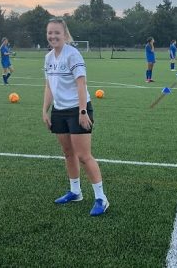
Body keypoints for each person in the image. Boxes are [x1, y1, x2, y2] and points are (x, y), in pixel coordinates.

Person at [42, 18, 109, 217]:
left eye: (57, 33)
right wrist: (45, 110)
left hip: (77, 109)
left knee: (83, 156)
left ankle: (101, 198)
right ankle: (75, 191)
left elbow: (82, 84)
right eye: (50, 33)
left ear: (65, 35)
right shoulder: (48, 58)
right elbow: (49, 86)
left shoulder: (73, 55)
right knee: (68, 153)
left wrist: (82, 112)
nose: (53, 36)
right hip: (59, 110)